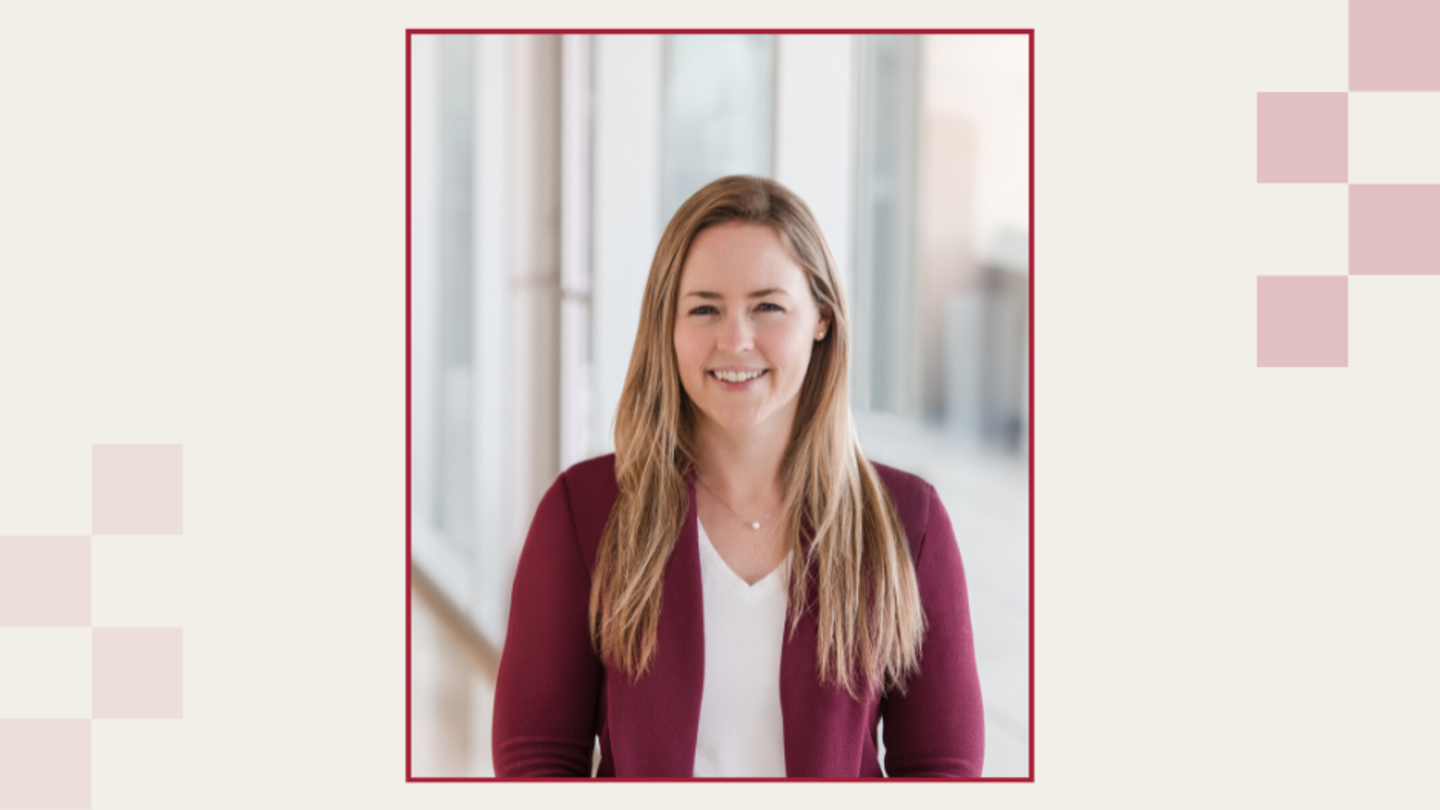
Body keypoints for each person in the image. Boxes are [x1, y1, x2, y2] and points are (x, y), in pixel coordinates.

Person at [492, 175, 983, 778]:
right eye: (704, 308)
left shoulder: (909, 521)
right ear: (667, 327)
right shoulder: (582, 512)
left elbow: (943, 766)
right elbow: (537, 757)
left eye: (767, 306)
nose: (735, 340)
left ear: (821, 318)